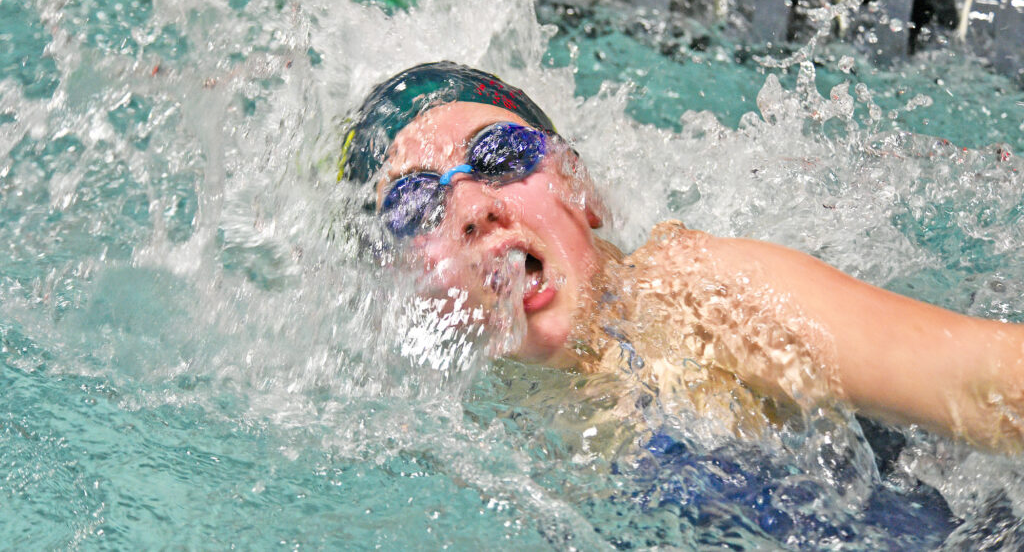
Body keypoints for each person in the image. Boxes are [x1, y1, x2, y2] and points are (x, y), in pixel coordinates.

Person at [339, 61, 1024, 452]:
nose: (472, 208)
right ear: (405, 281)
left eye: (500, 155)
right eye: (415, 205)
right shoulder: (469, 424)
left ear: (584, 190)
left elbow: (985, 383)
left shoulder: (698, 296)